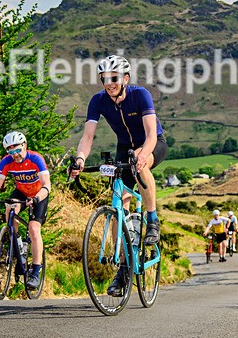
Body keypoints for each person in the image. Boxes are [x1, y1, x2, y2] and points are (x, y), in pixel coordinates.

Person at [68, 55, 168, 296]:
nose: (109, 83)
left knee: (140, 167)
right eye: (104, 79)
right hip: (124, 146)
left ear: (125, 78)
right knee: (118, 208)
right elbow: (88, 137)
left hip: (152, 144)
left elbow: (151, 134)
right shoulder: (98, 100)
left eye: (114, 78)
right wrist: (80, 158)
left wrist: (143, 155)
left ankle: (152, 220)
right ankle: (123, 269)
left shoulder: (140, 94)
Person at [0, 131, 51, 290]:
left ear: (24, 145)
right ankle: (17, 245)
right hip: (22, 193)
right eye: (10, 151)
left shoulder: (35, 159)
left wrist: (37, 198)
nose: (15, 154)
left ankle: (35, 271)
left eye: (17, 150)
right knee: (10, 207)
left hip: (39, 194)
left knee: (34, 229)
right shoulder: (5, 162)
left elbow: (47, 184)